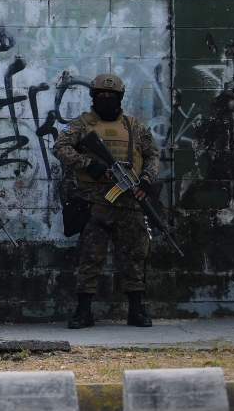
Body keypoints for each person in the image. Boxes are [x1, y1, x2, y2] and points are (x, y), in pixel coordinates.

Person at [53, 73, 160, 329]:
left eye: (111, 96)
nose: (105, 99)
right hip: (95, 203)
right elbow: (60, 147)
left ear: (120, 98)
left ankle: (136, 309)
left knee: (134, 258)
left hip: (129, 202)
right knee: (90, 258)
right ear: (93, 98)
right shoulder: (82, 124)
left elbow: (152, 154)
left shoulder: (133, 126)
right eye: (100, 95)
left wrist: (146, 179)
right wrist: (89, 165)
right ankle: (83, 311)